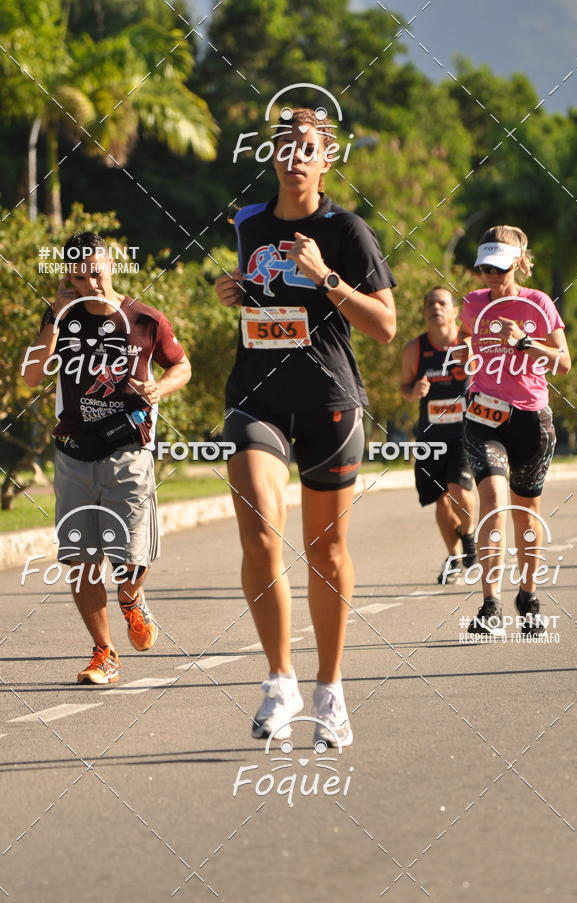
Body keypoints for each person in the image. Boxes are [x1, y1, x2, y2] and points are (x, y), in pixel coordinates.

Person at [215, 107, 396, 747]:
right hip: (257, 397)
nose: (294, 156)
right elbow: (258, 289)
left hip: (329, 401)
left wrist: (327, 279)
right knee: (262, 531)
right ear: (272, 157)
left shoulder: (346, 230)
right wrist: (232, 289)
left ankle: (331, 691)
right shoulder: (251, 221)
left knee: (326, 552)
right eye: (285, 146)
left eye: (307, 148)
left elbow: (384, 326)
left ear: (326, 160)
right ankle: (279, 680)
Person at [22, 231, 191, 683]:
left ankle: (132, 598)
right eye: (79, 275)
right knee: (78, 558)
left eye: (96, 270)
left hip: (129, 449)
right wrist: (54, 318)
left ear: (111, 264)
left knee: (130, 558)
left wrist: (160, 386)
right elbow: (31, 377)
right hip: (74, 452)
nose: (91, 282)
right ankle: (104, 652)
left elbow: (182, 365)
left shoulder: (144, 319)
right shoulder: (61, 320)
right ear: (68, 279)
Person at [453, 225, 570, 636]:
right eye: (484, 268)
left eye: (499, 269)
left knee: (526, 512)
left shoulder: (539, 304)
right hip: (484, 416)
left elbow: (563, 362)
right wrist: (465, 353)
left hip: (531, 419)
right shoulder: (471, 303)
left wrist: (526, 344)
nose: (491, 276)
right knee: (492, 502)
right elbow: (466, 337)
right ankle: (490, 603)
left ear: (519, 263)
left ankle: (529, 594)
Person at [400, 287, 476, 584]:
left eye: (442, 302)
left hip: (465, 432)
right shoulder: (414, 349)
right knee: (441, 499)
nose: (436, 307)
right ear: (424, 312)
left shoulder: (469, 344)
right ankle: (455, 556)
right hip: (431, 436)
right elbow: (404, 387)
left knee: (458, 489)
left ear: (455, 311)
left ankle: (469, 540)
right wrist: (413, 391)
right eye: (430, 303)